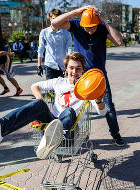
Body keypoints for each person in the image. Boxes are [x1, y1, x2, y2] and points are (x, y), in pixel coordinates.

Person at [0, 52, 106, 159]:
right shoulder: (59, 82)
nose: (74, 72)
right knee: (39, 104)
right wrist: (40, 99)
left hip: (69, 131)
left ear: (83, 70)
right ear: (66, 68)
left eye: (78, 69)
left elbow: (102, 113)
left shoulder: (87, 89)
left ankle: (54, 139)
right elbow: (34, 86)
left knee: (69, 111)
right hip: (51, 125)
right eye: (71, 68)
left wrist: (99, 101)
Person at [51, 5, 125, 146]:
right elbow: (54, 23)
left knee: (108, 106)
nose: (90, 31)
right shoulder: (77, 25)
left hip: (98, 77)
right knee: (73, 106)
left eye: (93, 27)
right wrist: (76, 12)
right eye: (87, 28)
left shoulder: (102, 27)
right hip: (79, 75)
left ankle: (115, 134)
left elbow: (119, 41)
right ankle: (72, 134)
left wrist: (103, 19)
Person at [37, 9, 73, 79]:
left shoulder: (66, 33)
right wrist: (39, 65)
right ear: (50, 19)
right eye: (54, 19)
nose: (56, 21)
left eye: (58, 19)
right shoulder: (44, 32)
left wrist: (69, 65)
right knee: (50, 89)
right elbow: (41, 49)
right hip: (50, 65)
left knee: (61, 89)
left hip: (62, 66)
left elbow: (69, 49)